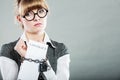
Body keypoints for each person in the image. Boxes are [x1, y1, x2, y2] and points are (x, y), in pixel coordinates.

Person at [0, 0, 70, 80]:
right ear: (19, 19)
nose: (37, 18)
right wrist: (29, 60)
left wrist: (36, 57)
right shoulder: (8, 50)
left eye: (41, 11)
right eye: (28, 14)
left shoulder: (60, 49)